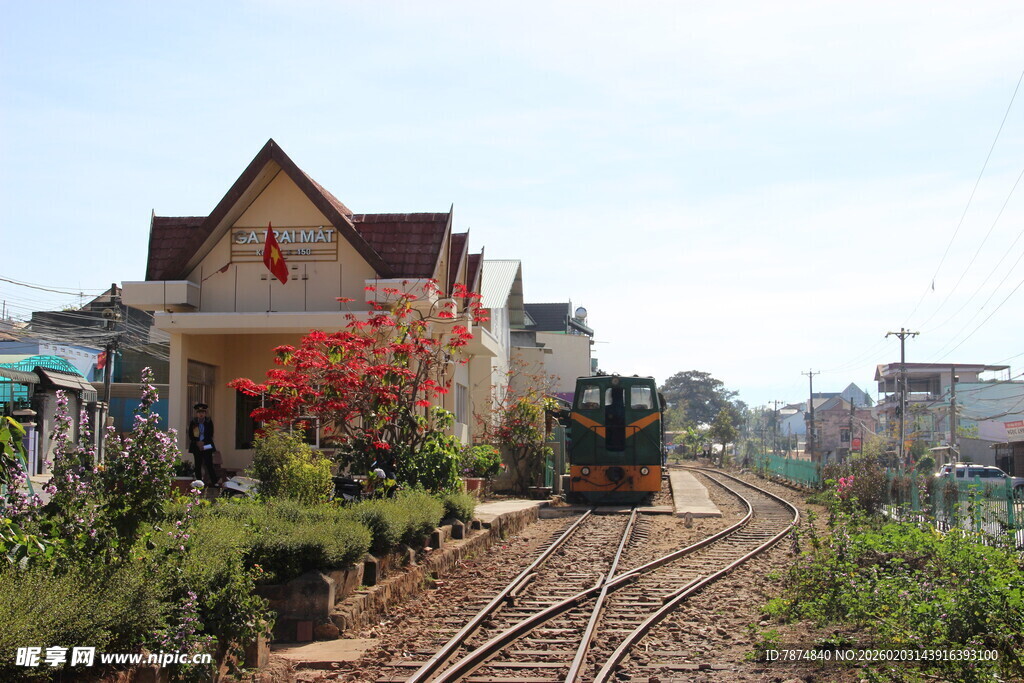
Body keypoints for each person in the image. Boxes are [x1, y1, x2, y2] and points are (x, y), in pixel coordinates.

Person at [188, 403, 218, 486]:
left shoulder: (208, 422)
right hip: (196, 446)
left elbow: (210, 434)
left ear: (205, 413)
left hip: (206, 445)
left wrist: (203, 442)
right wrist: (197, 442)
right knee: (198, 464)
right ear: (196, 414)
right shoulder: (193, 422)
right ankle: (199, 483)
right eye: (199, 412)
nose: (201, 414)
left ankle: (214, 482)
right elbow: (191, 435)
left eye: (202, 412)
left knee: (209, 464)